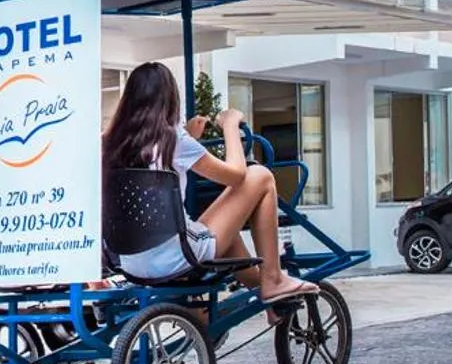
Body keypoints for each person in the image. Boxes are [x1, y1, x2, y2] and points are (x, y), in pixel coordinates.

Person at [102, 61, 318, 305]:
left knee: (224, 234)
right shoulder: (173, 139)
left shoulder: (110, 142)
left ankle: (265, 298)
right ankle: (274, 279)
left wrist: (190, 137)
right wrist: (230, 126)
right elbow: (237, 175)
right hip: (175, 256)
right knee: (261, 176)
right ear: (170, 98)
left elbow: (159, 157)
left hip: (131, 261)